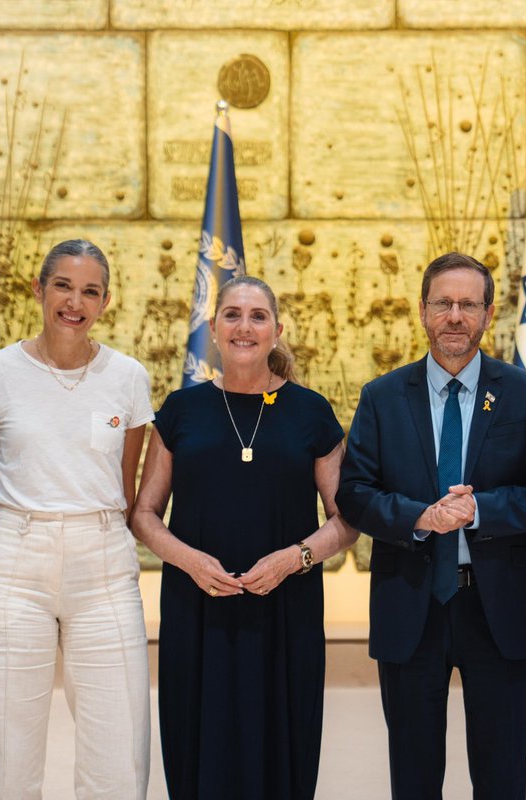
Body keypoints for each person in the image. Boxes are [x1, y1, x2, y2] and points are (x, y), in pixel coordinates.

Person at [336, 252, 526, 800]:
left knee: (501, 774)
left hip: (498, 607)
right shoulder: (382, 396)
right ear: (422, 311)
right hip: (410, 604)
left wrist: (478, 509)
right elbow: (354, 493)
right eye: (443, 303)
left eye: (468, 304)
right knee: (413, 775)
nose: (455, 316)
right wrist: (420, 516)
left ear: (489, 313)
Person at [133, 275, 357, 800]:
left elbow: (346, 520)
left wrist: (294, 559)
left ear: (277, 330)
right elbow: (143, 514)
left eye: (258, 317)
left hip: (286, 610)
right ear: (213, 327)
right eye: (232, 315)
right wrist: (189, 561)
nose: (244, 327)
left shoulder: (311, 412)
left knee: (281, 749)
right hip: (196, 607)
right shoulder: (180, 410)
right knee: (198, 745)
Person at [0, 240, 152, 799]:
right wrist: (8, 550)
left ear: (105, 302)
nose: (75, 301)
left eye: (90, 291)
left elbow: (125, 489)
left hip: (104, 568)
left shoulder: (128, 377)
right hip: (15, 566)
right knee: (11, 760)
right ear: (38, 289)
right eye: (63, 286)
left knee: (120, 755)